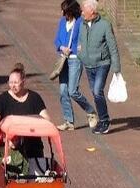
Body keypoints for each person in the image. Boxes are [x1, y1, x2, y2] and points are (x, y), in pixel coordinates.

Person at [0, 63, 51, 170]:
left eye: (16, 82)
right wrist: (1, 135)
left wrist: (33, 126)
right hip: (11, 150)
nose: (13, 85)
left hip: (33, 148)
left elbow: (47, 119)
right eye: (10, 82)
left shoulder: (34, 98)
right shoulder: (3, 99)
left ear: (23, 82)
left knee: (34, 178)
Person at [69, 0, 120, 135]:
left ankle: (104, 120)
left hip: (102, 63)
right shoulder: (82, 25)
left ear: (92, 11)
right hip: (88, 65)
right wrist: (80, 53)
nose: (81, 12)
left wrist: (117, 67)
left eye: (84, 10)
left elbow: (112, 46)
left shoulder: (105, 25)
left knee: (97, 91)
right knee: (95, 92)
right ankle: (102, 121)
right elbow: (79, 40)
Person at [52, 0, 83, 131]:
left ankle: (90, 110)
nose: (63, 14)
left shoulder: (80, 22)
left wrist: (74, 49)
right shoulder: (62, 22)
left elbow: (82, 41)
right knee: (63, 90)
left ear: (71, 11)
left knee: (72, 91)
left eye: (65, 11)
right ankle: (69, 121)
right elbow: (57, 39)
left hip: (75, 59)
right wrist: (61, 47)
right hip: (63, 59)